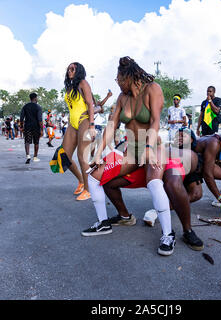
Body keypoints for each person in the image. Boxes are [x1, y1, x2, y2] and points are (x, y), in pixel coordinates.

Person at [84, 56, 176, 256]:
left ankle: (168, 234)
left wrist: (150, 147)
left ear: (129, 76)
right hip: (132, 149)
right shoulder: (121, 97)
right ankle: (103, 223)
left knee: (154, 182)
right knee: (93, 175)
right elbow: (112, 125)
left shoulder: (153, 89)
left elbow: (155, 121)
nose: (117, 83)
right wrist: (99, 153)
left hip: (153, 145)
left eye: (119, 79)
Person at [61, 62, 96, 201]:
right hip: (72, 123)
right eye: (69, 69)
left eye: (73, 69)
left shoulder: (83, 83)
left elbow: (90, 105)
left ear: (79, 70)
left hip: (84, 121)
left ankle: (89, 189)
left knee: (82, 157)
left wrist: (92, 126)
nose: (70, 71)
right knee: (65, 156)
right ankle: (81, 181)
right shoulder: (70, 87)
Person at [20, 93, 43, 164]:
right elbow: (40, 120)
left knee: (27, 141)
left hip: (27, 126)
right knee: (36, 142)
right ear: (35, 98)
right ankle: (35, 157)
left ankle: (28, 155)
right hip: (36, 127)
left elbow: (21, 118)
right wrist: (41, 129)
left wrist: (21, 127)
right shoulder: (38, 107)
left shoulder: (25, 107)